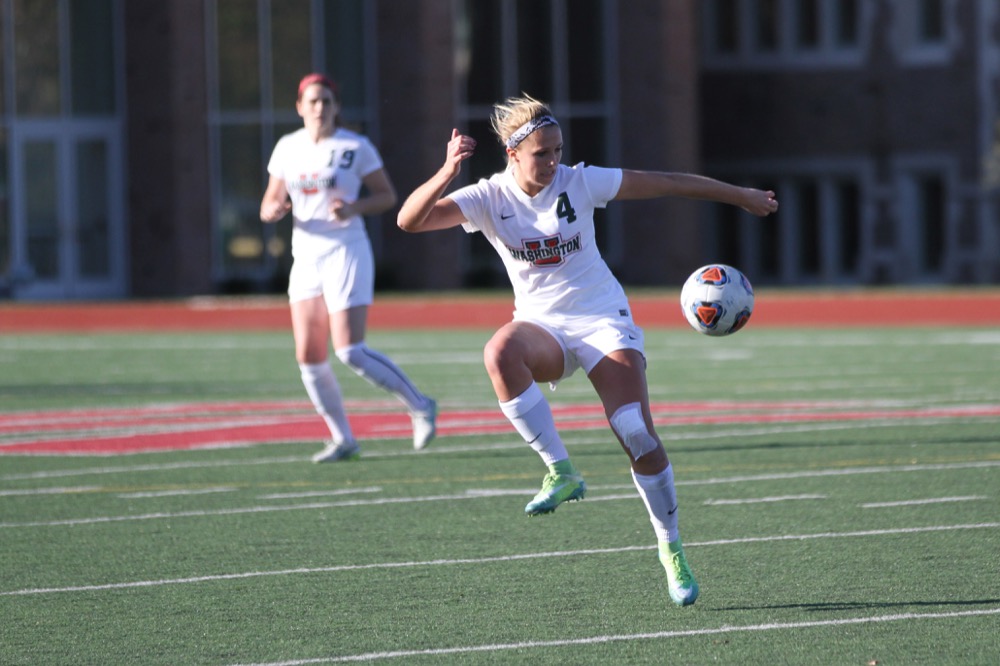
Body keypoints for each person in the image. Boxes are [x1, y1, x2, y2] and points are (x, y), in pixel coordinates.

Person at [396, 94, 777, 606]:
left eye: (557, 150)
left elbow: (667, 182)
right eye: (541, 154)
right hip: (542, 326)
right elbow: (409, 221)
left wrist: (741, 196)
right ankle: (561, 470)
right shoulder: (489, 197)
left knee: (635, 432)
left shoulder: (580, 181)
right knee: (499, 352)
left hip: (602, 319)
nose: (552, 162)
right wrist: (447, 170)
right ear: (512, 154)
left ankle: (672, 550)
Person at [260, 73, 437, 462]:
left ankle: (420, 405)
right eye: (313, 101)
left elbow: (387, 196)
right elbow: (269, 201)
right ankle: (343, 439)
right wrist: (273, 210)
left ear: (337, 107)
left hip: (346, 250)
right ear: (300, 107)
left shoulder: (355, 147)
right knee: (308, 356)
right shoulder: (287, 148)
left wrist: (354, 207)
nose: (320, 108)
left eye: (326, 101)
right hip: (305, 255)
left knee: (350, 350)